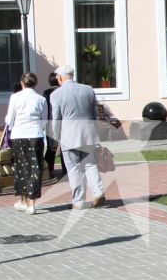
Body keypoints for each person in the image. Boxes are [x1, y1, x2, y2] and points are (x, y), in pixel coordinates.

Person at [47, 63, 118, 209]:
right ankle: (98, 193)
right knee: (90, 165)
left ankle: (78, 201)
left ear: (60, 78)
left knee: (73, 169)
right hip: (88, 134)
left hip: (69, 136)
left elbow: (56, 119)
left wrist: (55, 137)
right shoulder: (88, 90)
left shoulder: (56, 94)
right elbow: (94, 114)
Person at [3, 72, 49, 214]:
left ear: (22, 83)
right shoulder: (41, 99)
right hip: (35, 135)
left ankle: (23, 200)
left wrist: (10, 125)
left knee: (21, 167)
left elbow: (9, 119)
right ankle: (31, 203)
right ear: (35, 84)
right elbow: (44, 120)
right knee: (35, 168)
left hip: (18, 135)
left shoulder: (15, 97)